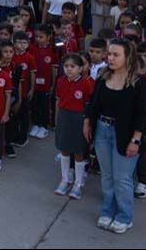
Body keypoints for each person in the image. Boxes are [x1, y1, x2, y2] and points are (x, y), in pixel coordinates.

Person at [84, 39, 146, 234]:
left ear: (127, 57)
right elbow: (93, 102)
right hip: (102, 130)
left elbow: (142, 114)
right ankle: (107, 211)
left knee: (122, 178)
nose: (110, 58)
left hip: (125, 134)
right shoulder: (103, 76)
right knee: (108, 175)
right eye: (109, 54)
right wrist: (88, 121)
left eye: (115, 55)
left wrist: (135, 140)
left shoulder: (137, 83)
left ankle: (124, 216)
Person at [54, 54, 94, 199]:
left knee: (78, 152)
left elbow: (90, 105)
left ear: (81, 68)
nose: (69, 69)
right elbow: (58, 101)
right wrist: (57, 119)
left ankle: (78, 183)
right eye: (66, 66)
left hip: (79, 119)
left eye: (73, 66)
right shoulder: (60, 81)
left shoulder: (86, 83)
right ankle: (65, 180)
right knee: (64, 149)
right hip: (64, 117)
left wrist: (88, 123)